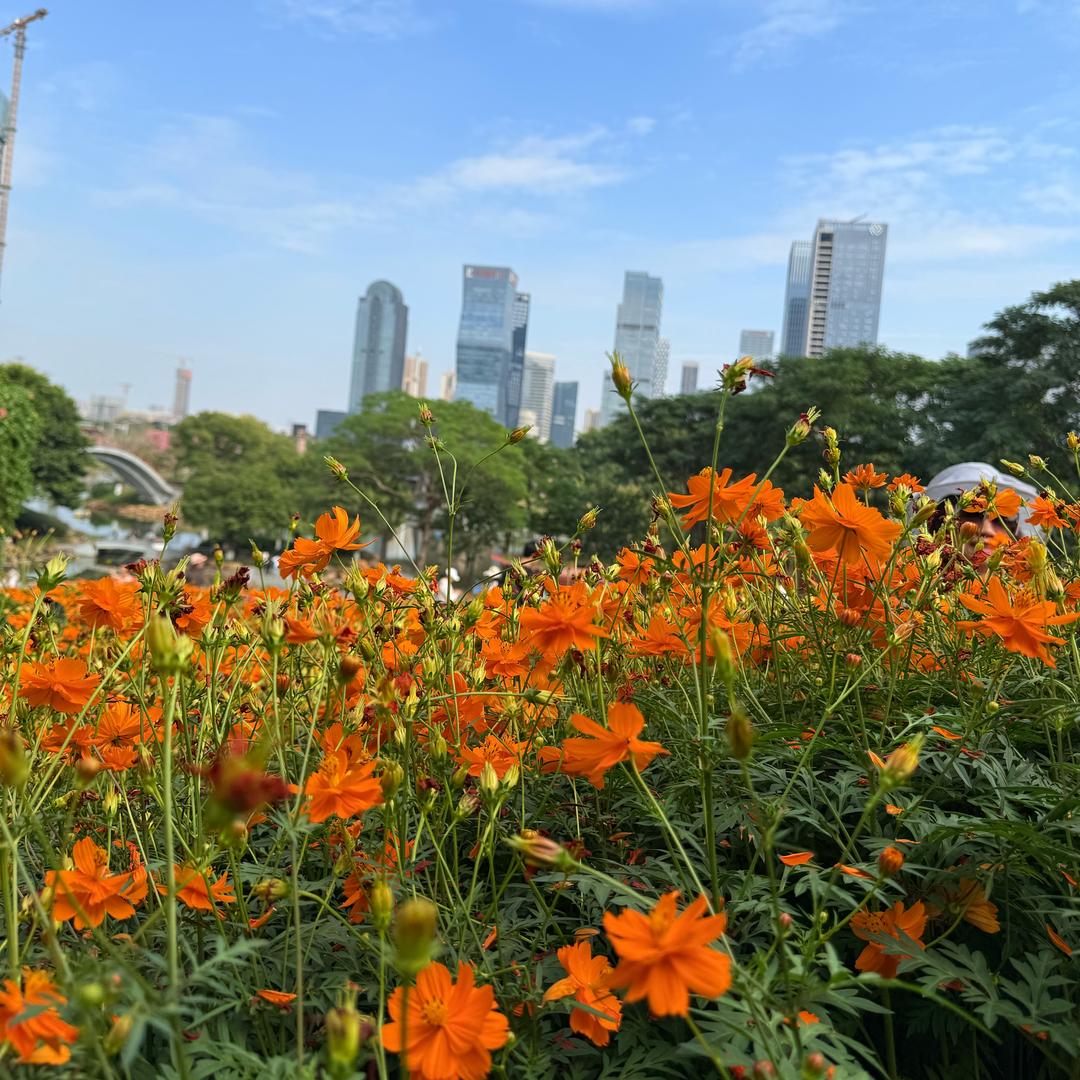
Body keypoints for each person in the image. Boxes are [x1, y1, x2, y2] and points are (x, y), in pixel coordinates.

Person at [923, 461, 1038, 561]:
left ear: (1014, 532)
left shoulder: (1035, 586)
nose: (986, 530)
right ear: (941, 525)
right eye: (972, 515)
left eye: (999, 520)